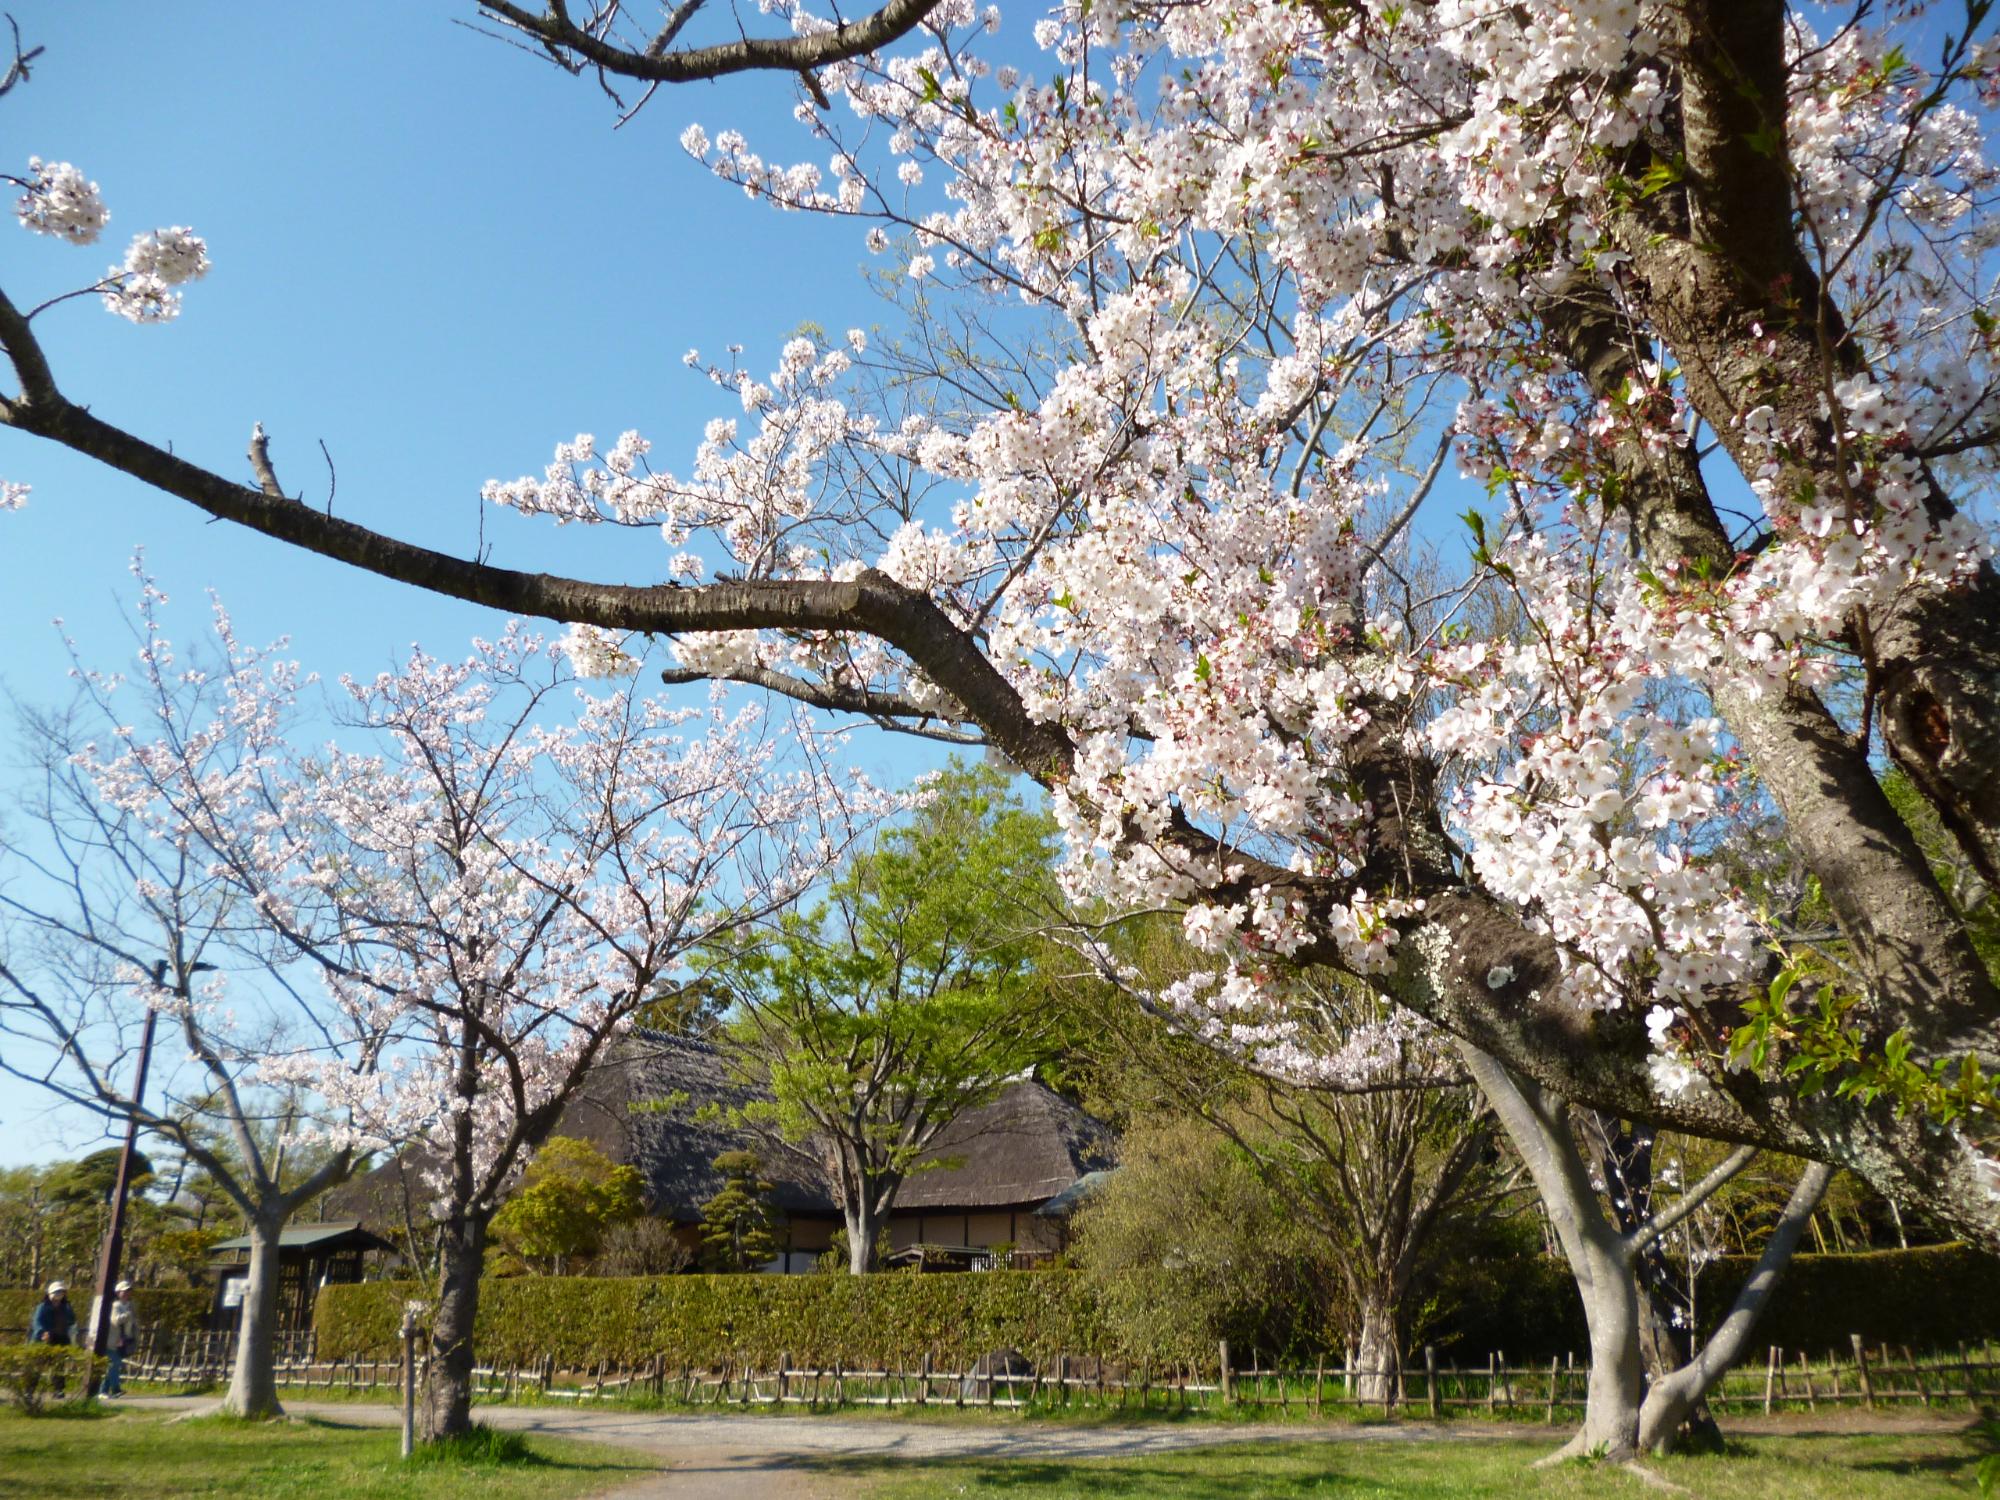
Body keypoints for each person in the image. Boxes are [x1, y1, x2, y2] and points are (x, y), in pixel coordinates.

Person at [29, 1281, 77, 1399]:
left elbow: (72, 1320)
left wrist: (70, 1330)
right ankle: (29, 1391)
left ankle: (59, 1390)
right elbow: (36, 1321)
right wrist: (42, 1332)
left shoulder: (66, 1307)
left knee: (58, 1366)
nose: (58, 1295)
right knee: (37, 1366)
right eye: (56, 1292)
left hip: (60, 1340)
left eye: (61, 1292)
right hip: (43, 1340)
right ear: (49, 1294)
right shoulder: (42, 1307)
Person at [102, 1281, 138, 1397]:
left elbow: (134, 1322)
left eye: (129, 1291)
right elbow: (115, 1321)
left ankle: (103, 1391)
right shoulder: (115, 1305)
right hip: (113, 1339)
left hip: (124, 1339)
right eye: (124, 1291)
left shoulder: (131, 1305)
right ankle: (116, 1389)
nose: (127, 1293)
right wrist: (127, 1315)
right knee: (115, 1363)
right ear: (118, 1293)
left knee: (115, 1364)